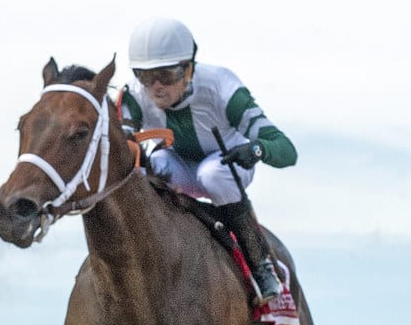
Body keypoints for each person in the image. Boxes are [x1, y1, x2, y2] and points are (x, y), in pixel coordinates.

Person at [119, 16, 297, 305]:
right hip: (178, 166)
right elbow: (120, 148)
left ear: (188, 69)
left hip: (227, 163)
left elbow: (287, 151)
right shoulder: (133, 95)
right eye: (145, 76)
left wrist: (255, 151)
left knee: (212, 174)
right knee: (155, 165)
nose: (156, 88)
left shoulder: (222, 87)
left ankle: (260, 262)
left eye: (166, 75)